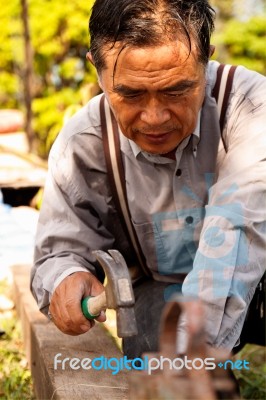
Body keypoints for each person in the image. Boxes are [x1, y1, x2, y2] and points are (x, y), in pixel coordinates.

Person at [31, 0, 266, 359]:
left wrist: (187, 356)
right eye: (131, 94)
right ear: (97, 70)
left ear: (207, 62)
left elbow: (237, 232)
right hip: (164, 293)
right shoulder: (84, 145)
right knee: (151, 333)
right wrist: (64, 277)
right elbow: (57, 253)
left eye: (176, 91)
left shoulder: (251, 108)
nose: (154, 118)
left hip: (260, 281)